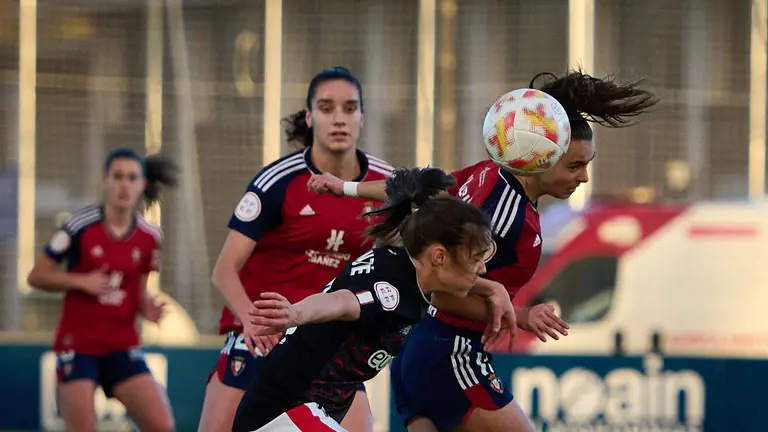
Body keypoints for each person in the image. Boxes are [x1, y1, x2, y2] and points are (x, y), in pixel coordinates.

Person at [309, 70, 660, 432]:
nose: (584, 177)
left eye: (587, 164)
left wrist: (348, 189)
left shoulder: (490, 174)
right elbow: (439, 292)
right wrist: (520, 315)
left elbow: (420, 189)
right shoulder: (507, 217)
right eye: (574, 165)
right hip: (450, 354)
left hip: (420, 353)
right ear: (539, 157)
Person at [230, 166, 510, 432]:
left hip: (306, 411)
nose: (482, 268)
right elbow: (342, 301)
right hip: (282, 412)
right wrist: (295, 314)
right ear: (438, 256)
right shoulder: (391, 291)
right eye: (475, 259)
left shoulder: (408, 263)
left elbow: (405, 194)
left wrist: (491, 290)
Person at [198, 66, 395, 432]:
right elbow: (224, 270)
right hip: (263, 337)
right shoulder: (279, 181)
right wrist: (254, 325)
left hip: (330, 345)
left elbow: (418, 251)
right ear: (309, 116)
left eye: (350, 108)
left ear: (362, 117)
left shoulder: (385, 185)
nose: (339, 118)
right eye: (326, 107)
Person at [27, 149, 177, 432]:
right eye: (117, 177)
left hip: (122, 346)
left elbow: (137, 290)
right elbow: (37, 275)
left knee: (162, 425)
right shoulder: (80, 225)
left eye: (132, 178)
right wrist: (81, 281)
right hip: (79, 346)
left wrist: (146, 306)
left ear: (142, 184)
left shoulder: (150, 236)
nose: (124, 185)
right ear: (104, 182)